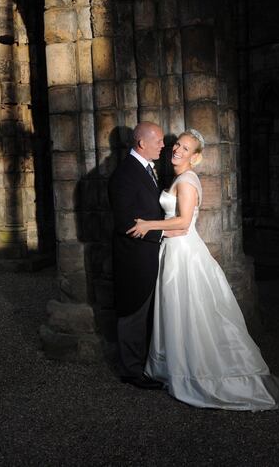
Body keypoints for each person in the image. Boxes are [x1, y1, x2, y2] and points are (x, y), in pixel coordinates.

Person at [127, 129, 279, 410]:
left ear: (195, 157)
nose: (177, 150)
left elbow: (182, 223)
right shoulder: (178, 178)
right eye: (177, 145)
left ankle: (199, 372)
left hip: (183, 252)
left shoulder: (187, 181)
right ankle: (175, 367)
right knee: (177, 311)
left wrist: (147, 224)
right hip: (173, 251)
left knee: (190, 311)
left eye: (185, 148)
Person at [108, 121, 182, 389]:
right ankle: (131, 371)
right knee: (133, 312)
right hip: (134, 258)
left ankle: (146, 365)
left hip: (149, 255)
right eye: (159, 141)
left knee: (147, 312)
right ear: (142, 143)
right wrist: (162, 234)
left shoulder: (147, 170)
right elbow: (125, 223)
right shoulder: (124, 175)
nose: (164, 146)